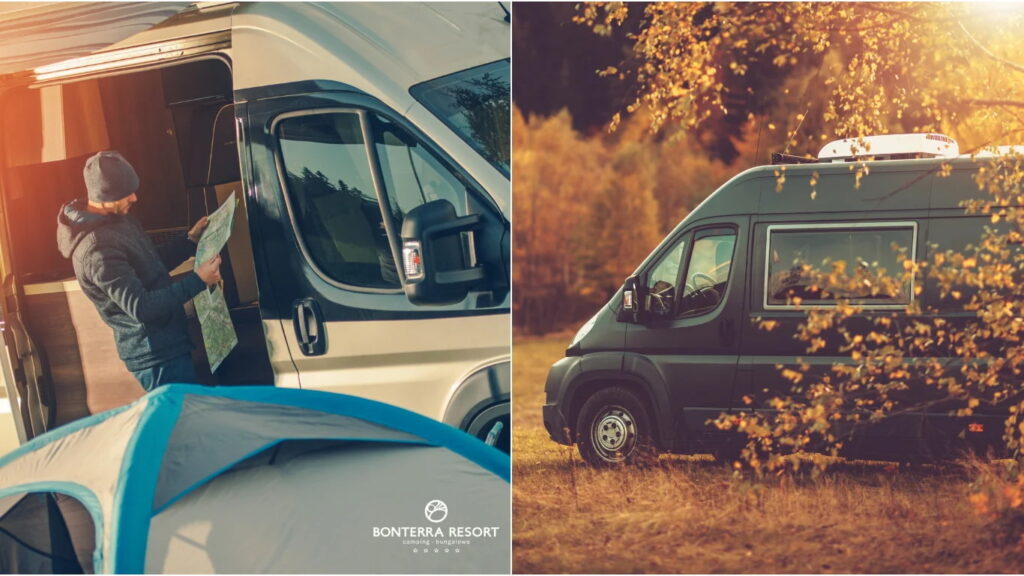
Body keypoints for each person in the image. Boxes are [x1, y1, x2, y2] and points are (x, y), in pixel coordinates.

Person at [56, 150, 222, 391]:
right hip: (156, 358)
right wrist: (198, 280)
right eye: (125, 193)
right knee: (180, 424)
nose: (134, 197)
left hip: (171, 345)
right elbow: (142, 307)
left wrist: (189, 242)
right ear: (104, 196)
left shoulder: (118, 220)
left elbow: (150, 264)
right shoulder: (97, 251)